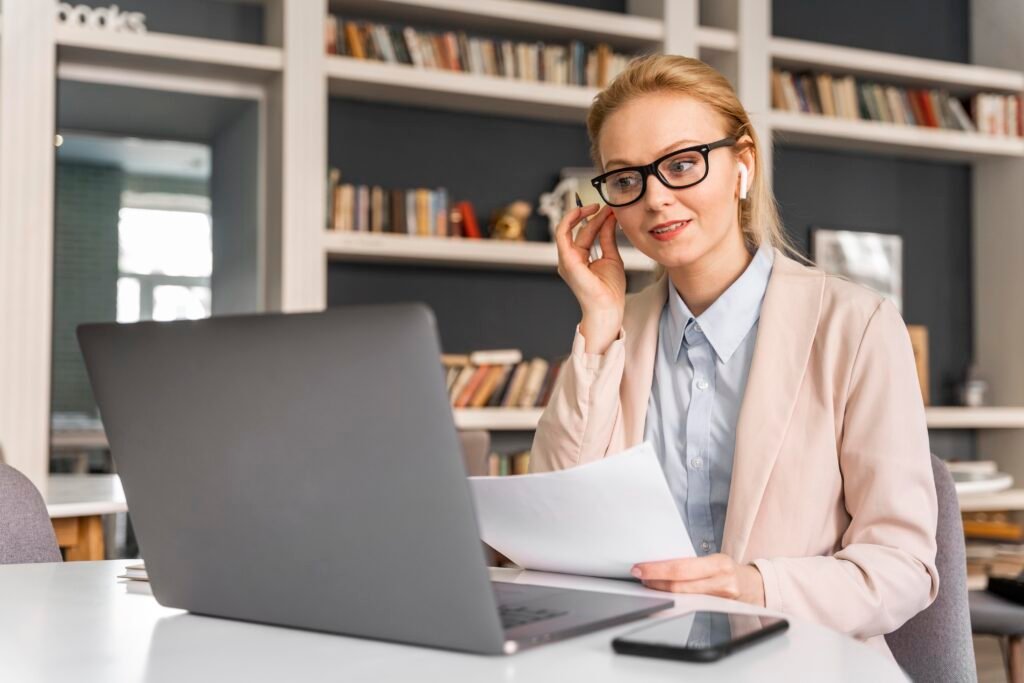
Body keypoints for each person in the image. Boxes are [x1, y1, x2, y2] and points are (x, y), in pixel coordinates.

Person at [530, 54, 939, 660]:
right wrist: (598, 321)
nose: (656, 199)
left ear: (742, 165)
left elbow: (903, 567)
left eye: (682, 164)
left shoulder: (857, 326)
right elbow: (551, 522)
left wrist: (756, 587)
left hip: (800, 658)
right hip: (632, 658)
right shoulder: (616, 332)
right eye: (626, 178)